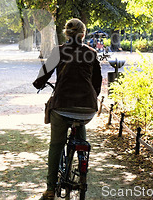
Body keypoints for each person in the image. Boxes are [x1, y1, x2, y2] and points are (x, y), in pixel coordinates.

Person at [33, 18, 102, 200]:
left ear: (66, 34)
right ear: (83, 35)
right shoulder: (91, 53)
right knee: (80, 123)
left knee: (56, 145)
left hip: (62, 106)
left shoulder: (59, 51)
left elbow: (44, 75)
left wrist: (38, 83)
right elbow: (97, 84)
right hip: (87, 109)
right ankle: (82, 164)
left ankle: (49, 189)